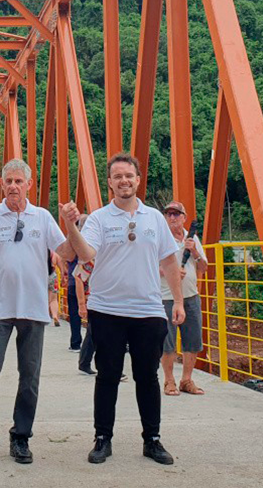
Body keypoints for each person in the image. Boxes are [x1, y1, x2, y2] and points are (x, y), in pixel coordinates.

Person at [62, 152, 185, 467]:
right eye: (117, 176)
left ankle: (152, 440)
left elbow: (170, 261)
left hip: (148, 310)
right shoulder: (101, 218)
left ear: (138, 179)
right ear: (109, 183)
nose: (123, 181)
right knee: (107, 376)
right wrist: (70, 224)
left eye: (128, 175)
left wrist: (179, 301)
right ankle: (102, 439)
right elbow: (86, 252)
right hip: (107, 310)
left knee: (148, 377)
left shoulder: (155, 218)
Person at [0, 158, 79, 466]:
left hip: (33, 307)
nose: (13, 186)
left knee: (30, 377)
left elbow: (65, 251)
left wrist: (71, 225)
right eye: (8, 181)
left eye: (18, 181)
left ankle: (21, 437)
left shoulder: (41, 216)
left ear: (29, 185)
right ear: (2, 184)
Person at [160, 200, 208, 396]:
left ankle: (186, 380)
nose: (172, 217)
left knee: (193, 340)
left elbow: (204, 268)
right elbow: (147, 267)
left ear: (184, 217)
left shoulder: (192, 238)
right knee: (167, 341)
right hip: (166, 297)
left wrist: (195, 251)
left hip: (190, 296)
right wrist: (167, 272)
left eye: (176, 214)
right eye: (169, 214)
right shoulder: (159, 239)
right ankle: (169, 381)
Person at [65, 257, 82, 350]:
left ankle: (75, 343)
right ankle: (93, 344)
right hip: (90, 281)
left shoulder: (72, 245)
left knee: (74, 314)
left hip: (73, 281)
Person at [48, 252, 61, 327]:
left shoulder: (40, 253)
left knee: (44, 298)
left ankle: (45, 316)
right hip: (53, 276)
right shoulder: (55, 254)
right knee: (53, 299)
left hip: (42, 276)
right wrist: (63, 275)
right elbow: (61, 267)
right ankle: (55, 316)